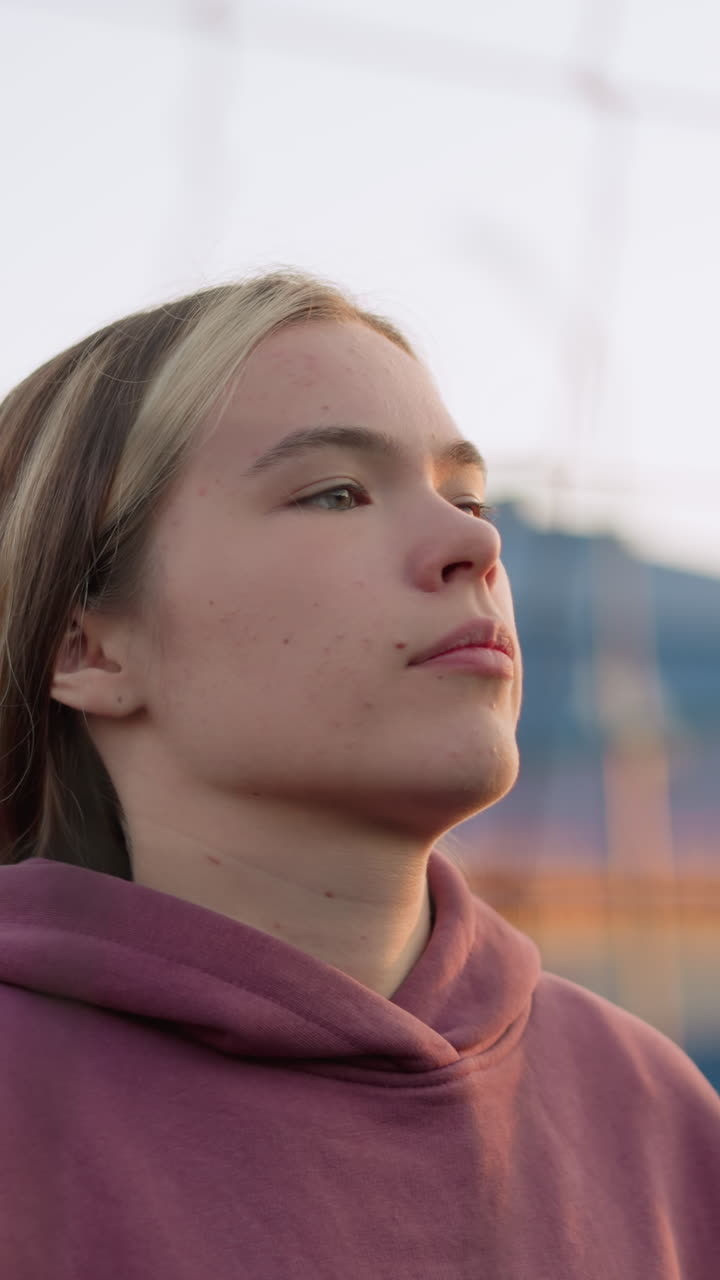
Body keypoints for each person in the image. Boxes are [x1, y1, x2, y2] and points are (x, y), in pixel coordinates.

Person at [0, 269, 717, 1280]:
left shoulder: (657, 1108)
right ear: (88, 650)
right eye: (335, 491)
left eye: (465, 494)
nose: (476, 540)